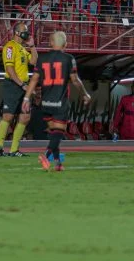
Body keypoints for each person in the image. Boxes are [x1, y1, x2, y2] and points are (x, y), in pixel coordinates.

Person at [22, 31, 91, 171]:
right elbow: (75, 80)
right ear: (66, 44)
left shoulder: (42, 59)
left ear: (51, 43)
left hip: (45, 103)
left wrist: (26, 98)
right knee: (58, 133)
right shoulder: (68, 58)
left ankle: (58, 163)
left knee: (54, 133)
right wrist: (85, 94)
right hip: (60, 103)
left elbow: (34, 79)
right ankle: (46, 155)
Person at [0, 22, 36, 157]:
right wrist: (21, 85)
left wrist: (32, 46)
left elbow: (34, 61)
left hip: (24, 85)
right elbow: (9, 69)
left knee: (25, 117)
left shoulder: (23, 49)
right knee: (8, 116)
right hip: (13, 85)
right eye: (25, 30)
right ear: (17, 32)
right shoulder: (9, 47)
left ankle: (14, 150)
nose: (27, 32)